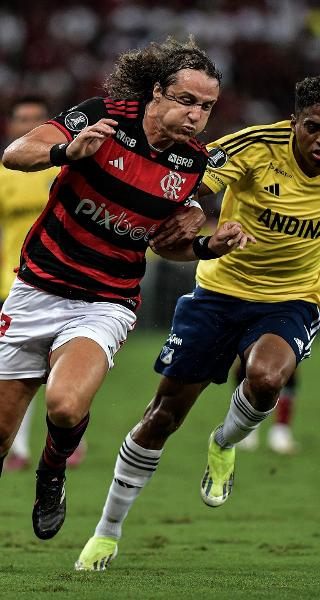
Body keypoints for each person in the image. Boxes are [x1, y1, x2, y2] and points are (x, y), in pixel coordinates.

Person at [76, 74, 320, 571]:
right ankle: (107, 531)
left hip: (293, 299)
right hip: (219, 292)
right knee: (162, 417)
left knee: (268, 376)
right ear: (293, 123)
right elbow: (190, 177)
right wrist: (187, 211)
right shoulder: (253, 147)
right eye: (311, 128)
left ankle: (224, 443)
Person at [0, 37, 253, 542]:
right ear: (156, 92)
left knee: (66, 406)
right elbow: (14, 154)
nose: (196, 115)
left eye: (206, 107)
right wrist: (63, 151)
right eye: (186, 100)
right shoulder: (104, 118)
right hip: (35, 288)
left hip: (104, 301)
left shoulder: (190, 167)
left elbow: (164, 245)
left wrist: (206, 247)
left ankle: (52, 472)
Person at [0, 96, 87, 472]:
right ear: (11, 127)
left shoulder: (69, 170)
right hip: (11, 280)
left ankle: (69, 437)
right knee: (17, 369)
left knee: (68, 366)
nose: (29, 123)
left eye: (37, 118)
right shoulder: (4, 176)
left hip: (64, 279)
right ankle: (17, 447)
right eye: (23, 118)